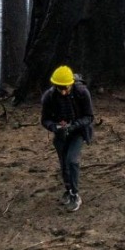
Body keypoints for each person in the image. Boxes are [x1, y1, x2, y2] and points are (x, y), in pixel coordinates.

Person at [40, 65, 93, 212]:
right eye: (60, 88)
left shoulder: (82, 93)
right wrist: (54, 126)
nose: (63, 91)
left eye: (66, 88)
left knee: (72, 161)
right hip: (61, 135)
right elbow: (44, 120)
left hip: (78, 132)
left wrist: (74, 125)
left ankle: (75, 194)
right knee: (64, 163)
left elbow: (89, 116)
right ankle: (68, 189)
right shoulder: (49, 97)